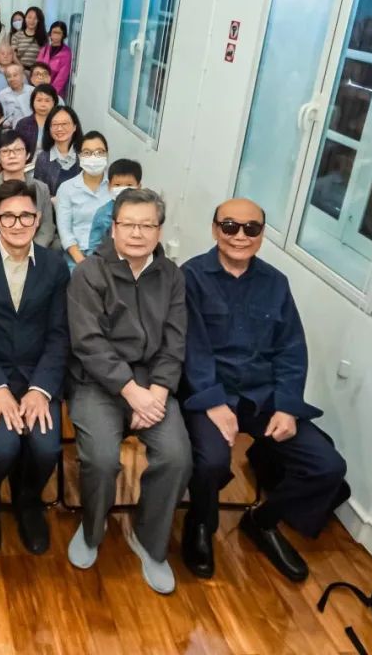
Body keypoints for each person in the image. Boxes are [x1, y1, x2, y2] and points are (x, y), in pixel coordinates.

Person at [180, 198, 348, 583]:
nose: (240, 236)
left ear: (262, 235)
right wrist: (213, 402)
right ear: (215, 229)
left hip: (263, 397)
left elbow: (291, 350)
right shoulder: (190, 277)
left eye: (251, 228)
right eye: (230, 226)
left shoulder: (276, 283)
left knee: (327, 467)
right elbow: (192, 350)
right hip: (210, 394)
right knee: (211, 462)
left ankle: (263, 520)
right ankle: (200, 522)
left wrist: (287, 406)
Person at [66, 188, 192, 595]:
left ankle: (149, 540)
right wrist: (131, 391)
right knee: (101, 459)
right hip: (98, 382)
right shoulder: (89, 273)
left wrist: (157, 392)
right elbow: (88, 342)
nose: (137, 233)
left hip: (153, 383)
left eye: (147, 225)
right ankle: (92, 529)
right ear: (114, 227)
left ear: (159, 230)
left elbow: (175, 341)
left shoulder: (172, 276)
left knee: (176, 456)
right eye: (129, 225)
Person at [0, 179, 68, 556]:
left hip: (38, 375)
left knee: (46, 448)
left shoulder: (55, 266)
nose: (17, 224)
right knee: (3, 446)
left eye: (26, 216)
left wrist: (41, 389)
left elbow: (59, 334)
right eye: (8, 216)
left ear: (38, 219)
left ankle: (28, 500)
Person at [0, 129, 55, 248]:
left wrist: (30, 252)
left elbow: (47, 228)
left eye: (18, 150)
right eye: (5, 151)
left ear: (28, 155)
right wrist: (2, 253)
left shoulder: (42, 188)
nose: (12, 156)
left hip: (34, 250)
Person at [55, 129, 112, 268]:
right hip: (76, 255)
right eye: (87, 153)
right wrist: (83, 263)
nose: (94, 157)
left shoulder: (114, 188)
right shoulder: (67, 188)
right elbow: (65, 232)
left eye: (99, 152)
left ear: (107, 155)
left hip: (109, 256)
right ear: (79, 156)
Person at [88, 159, 142, 254]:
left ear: (138, 187)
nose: (123, 189)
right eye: (117, 185)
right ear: (109, 186)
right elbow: (94, 245)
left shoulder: (145, 212)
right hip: (108, 259)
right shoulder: (103, 214)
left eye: (129, 185)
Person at [33, 105, 83, 197]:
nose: (59, 128)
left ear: (74, 127)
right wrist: (53, 200)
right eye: (55, 124)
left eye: (64, 124)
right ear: (49, 128)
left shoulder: (84, 155)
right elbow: (39, 194)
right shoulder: (43, 159)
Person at [14, 83, 57, 156]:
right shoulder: (23, 124)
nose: (43, 104)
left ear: (54, 102)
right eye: (39, 100)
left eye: (47, 101)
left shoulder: (59, 124)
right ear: (32, 102)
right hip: (28, 162)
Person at [36, 21, 72, 98]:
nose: (56, 35)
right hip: (40, 87)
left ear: (63, 35)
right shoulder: (45, 49)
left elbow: (62, 77)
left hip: (55, 92)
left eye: (59, 33)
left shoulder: (66, 52)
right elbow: (37, 67)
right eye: (54, 32)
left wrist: (51, 93)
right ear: (50, 33)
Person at [0, 63, 34, 128]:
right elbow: (1, 116)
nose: (12, 79)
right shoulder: (3, 94)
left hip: (32, 126)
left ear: (22, 76)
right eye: (9, 76)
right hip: (11, 128)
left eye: (15, 75)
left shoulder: (32, 91)